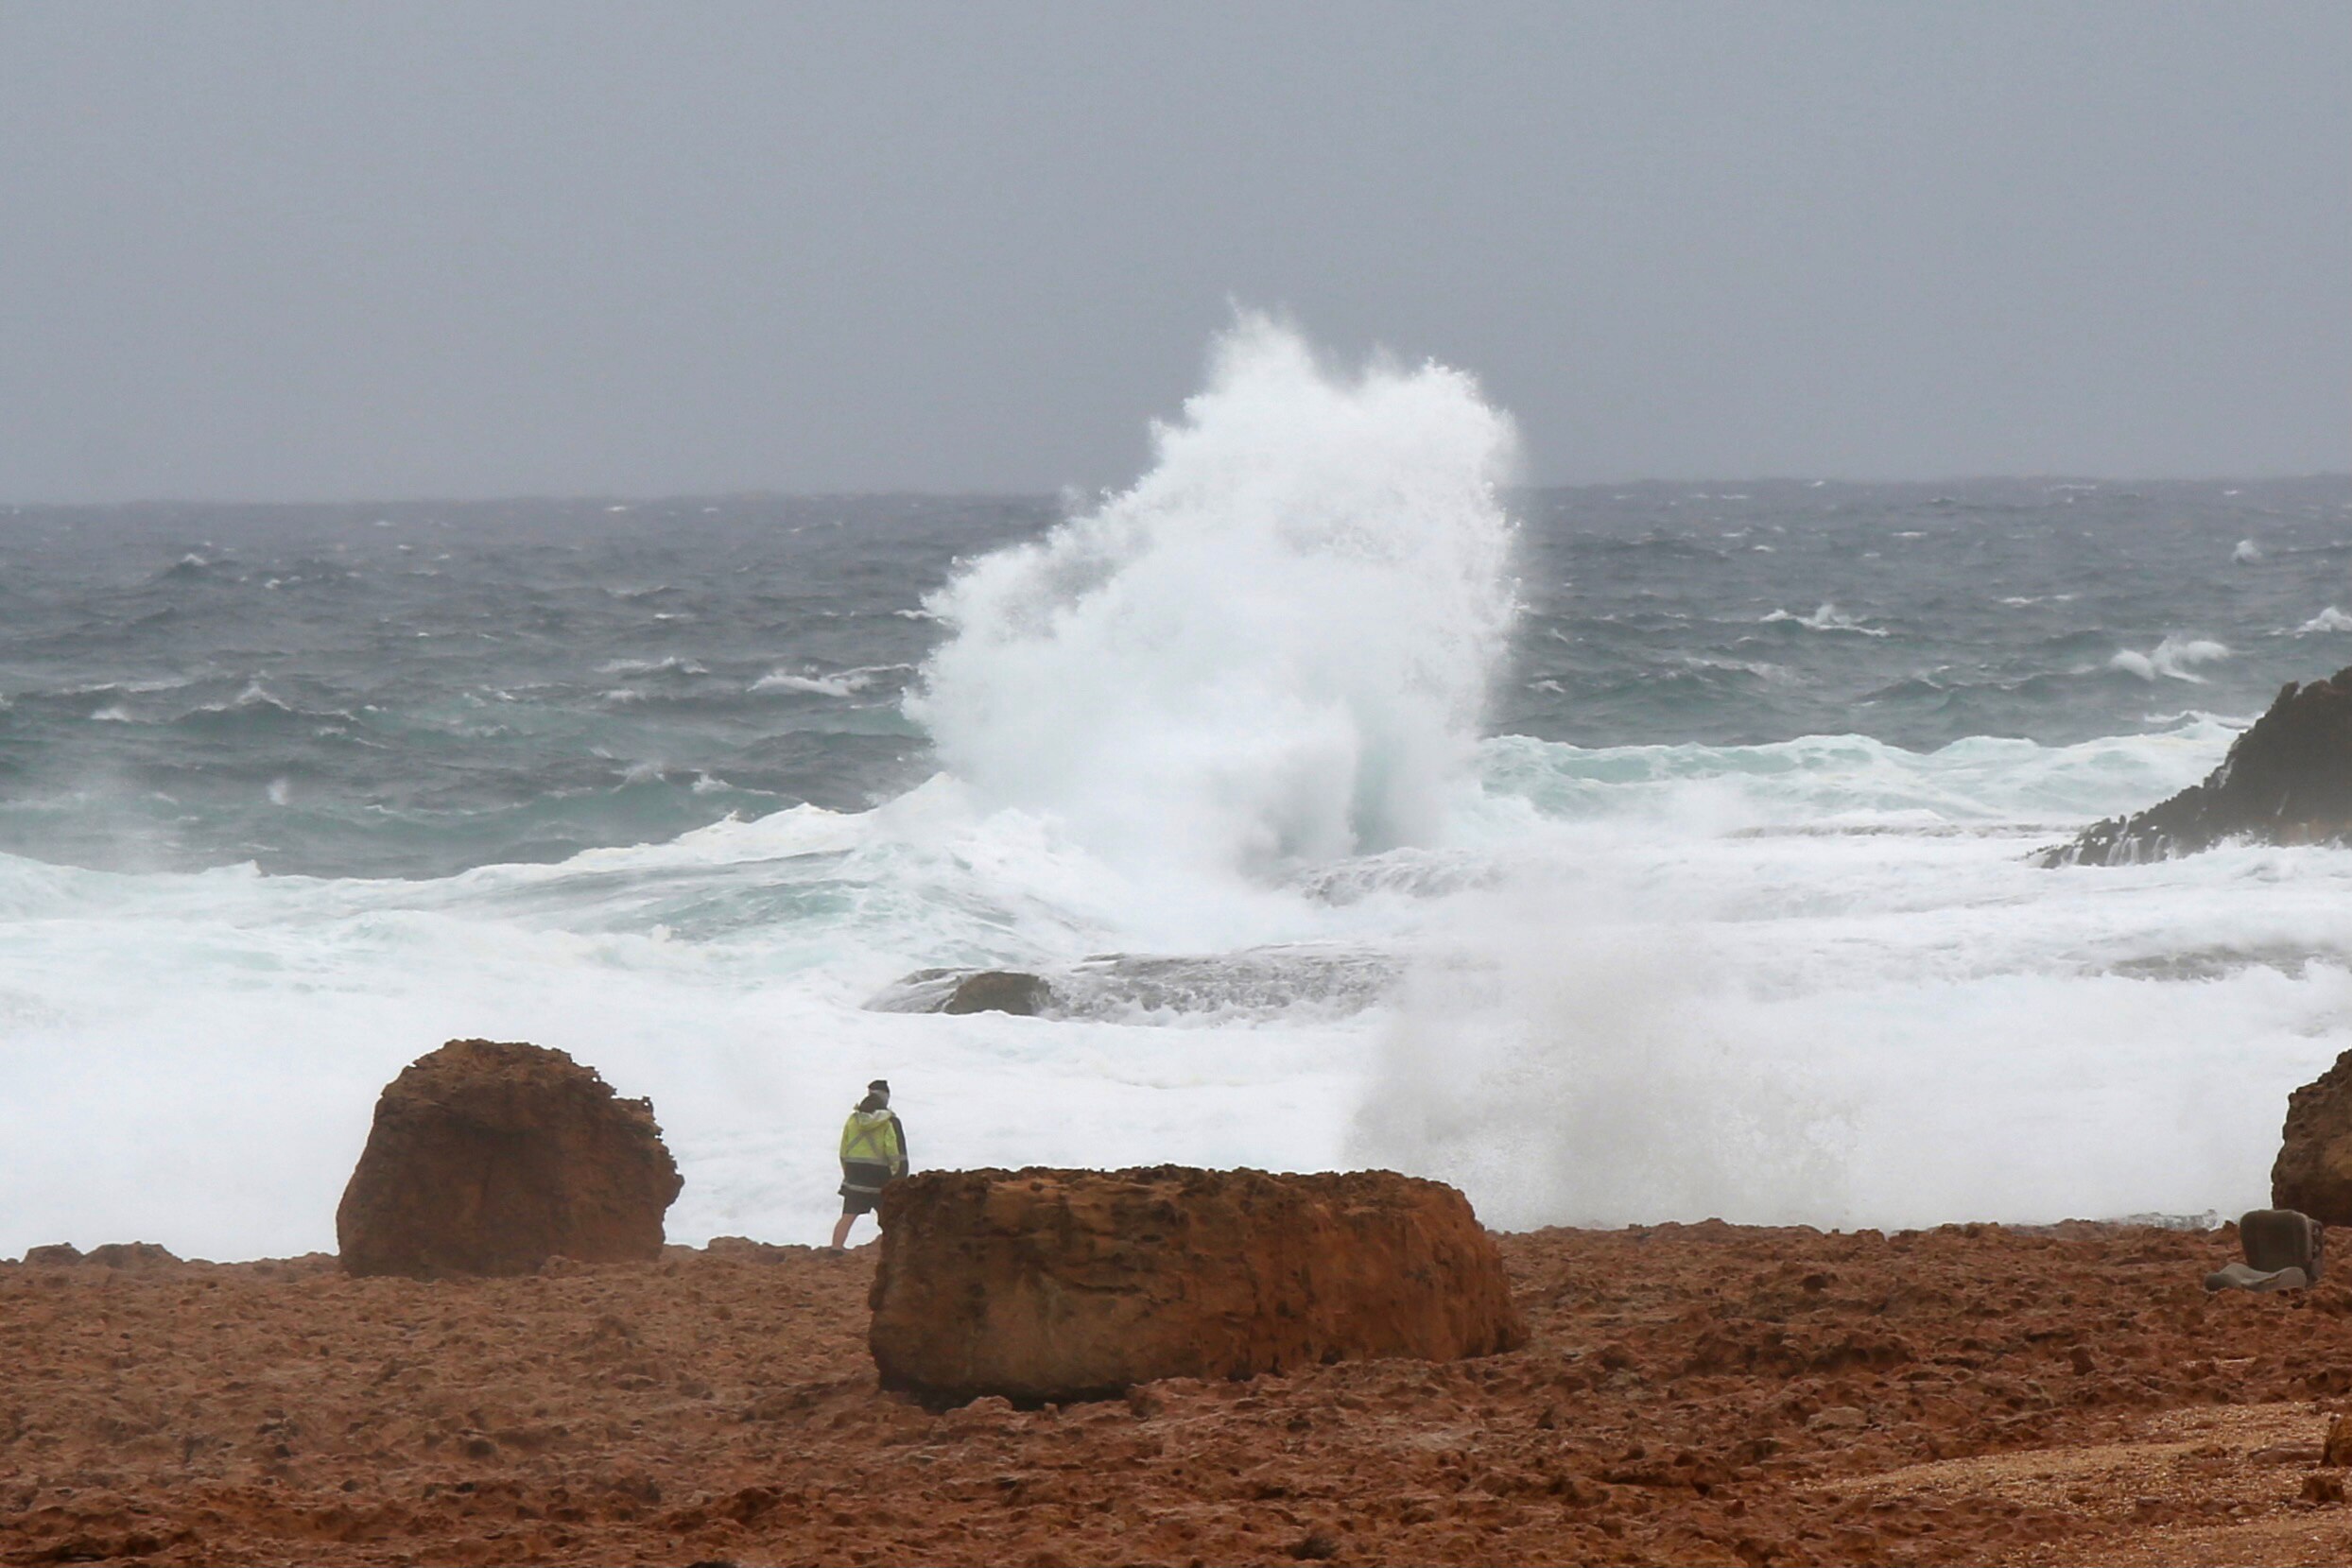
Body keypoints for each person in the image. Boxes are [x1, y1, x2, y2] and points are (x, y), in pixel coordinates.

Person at [830, 1078, 908, 1249]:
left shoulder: (853, 1119)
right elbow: (894, 1153)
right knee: (888, 1218)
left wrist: (848, 1173)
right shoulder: (890, 1121)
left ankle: (835, 1249)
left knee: (848, 1216)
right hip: (881, 1178)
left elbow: (844, 1150)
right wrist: (898, 1177)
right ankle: (892, 1251)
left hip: (855, 1176)